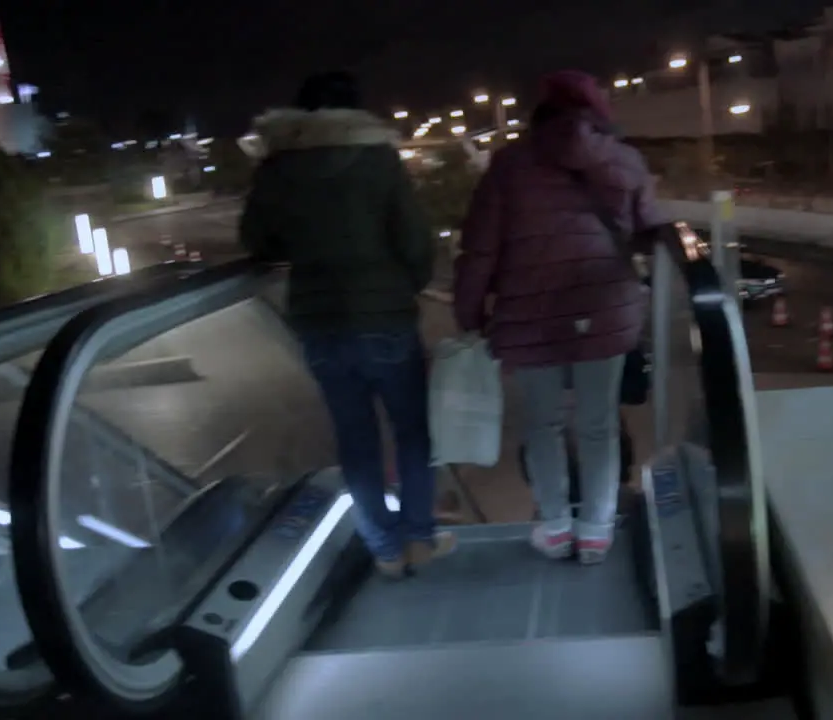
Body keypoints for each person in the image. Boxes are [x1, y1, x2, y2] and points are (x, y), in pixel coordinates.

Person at [239, 71, 454, 579]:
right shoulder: (379, 160)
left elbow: (257, 240)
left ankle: (382, 547)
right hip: (385, 319)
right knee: (413, 433)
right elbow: (414, 240)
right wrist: (405, 287)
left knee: (354, 439)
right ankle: (419, 538)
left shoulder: (277, 167)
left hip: (319, 322)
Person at [453, 70, 665, 565]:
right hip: (605, 309)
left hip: (531, 316)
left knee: (542, 425)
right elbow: (649, 229)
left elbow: (480, 248)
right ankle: (595, 530)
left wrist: (469, 313)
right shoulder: (626, 160)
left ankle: (554, 526)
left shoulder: (509, 165)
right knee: (598, 426)